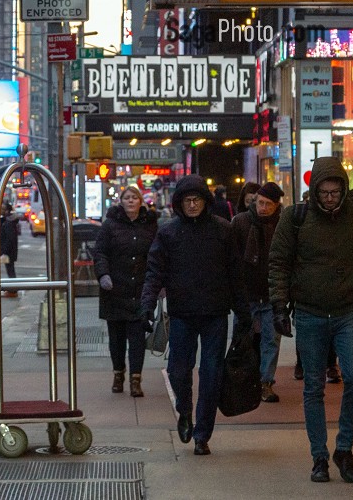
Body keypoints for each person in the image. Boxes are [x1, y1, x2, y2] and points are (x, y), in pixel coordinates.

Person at [269, 157, 353, 484]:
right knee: (314, 387)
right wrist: (279, 305)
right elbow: (279, 263)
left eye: (336, 192)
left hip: (348, 310)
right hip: (309, 311)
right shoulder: (296, 217)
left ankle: (344, 448)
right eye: (325, 192)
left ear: (344, 189)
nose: (331, 197)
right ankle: (319, 455)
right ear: (315, 190)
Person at [140, 175, 247, 457]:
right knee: (178, 370)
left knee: (212, 375)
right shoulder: (168, 233)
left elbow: (236, 274)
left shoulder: (223, 231)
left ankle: (202, 434)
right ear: (179, 203)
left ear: (205, 201)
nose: (192, 204)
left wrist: (243, 313)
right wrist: (147, 304)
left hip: (214, 312)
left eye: (196, 199)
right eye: (187, 200)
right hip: (182, 312)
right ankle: (184, 411)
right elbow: (154, 272)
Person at [93, 185, 159, 398]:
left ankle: (136, 379)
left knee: (138, 337)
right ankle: (118, 374)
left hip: (140, 289)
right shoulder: (110, 225)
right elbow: (100, 253)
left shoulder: (151, 226)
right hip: (115, 290)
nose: (130, 201)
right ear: (120, 201)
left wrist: (160, 284)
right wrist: (103, 275)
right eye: (127, 198)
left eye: (134, 198)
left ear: (141, 201)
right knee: (117, 338)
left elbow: (158, 256)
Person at [229, 181, 284, 403]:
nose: (263, 207)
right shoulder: (241, 222)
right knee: (242, 340)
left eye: (268, 204)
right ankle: (240, 380)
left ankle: (265, 382)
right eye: (260, 202)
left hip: (271, 294)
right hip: (247, 294)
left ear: (276, 206)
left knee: (271, 340)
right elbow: (231, 258)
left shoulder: (280, 225)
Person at [0, 209, 21, 297]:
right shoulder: (11, 224)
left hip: (9, 252)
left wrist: (4, 251)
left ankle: (13, 290)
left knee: (11, 271)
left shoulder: (8, 225)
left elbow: (9, 239)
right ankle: (13, 289)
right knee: (10, 271)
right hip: (10, 251)